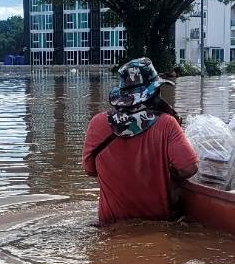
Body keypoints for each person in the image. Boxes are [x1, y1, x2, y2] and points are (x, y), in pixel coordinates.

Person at [82, 57, 199, 225]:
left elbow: (90, 170)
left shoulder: (98, 123)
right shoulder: (167, 123)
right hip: (157, 226)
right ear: (154, 92)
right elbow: (189, 168)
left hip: (110, 227)